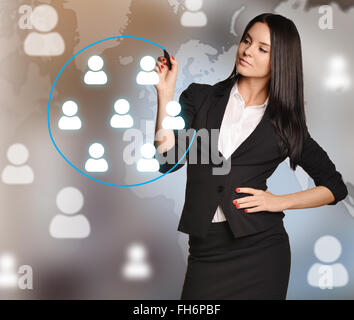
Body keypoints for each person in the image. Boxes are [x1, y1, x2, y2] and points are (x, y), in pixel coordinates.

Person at [153, 13, 348, 300]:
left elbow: (334, 187)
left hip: (262, 250)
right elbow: (168, 158)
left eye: (262, 48)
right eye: (246, 40)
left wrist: (277, 202)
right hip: (206, 249)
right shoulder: (200, 98)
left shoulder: (285, 124)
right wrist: (165, 94)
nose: (247, 51)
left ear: (279, 60)